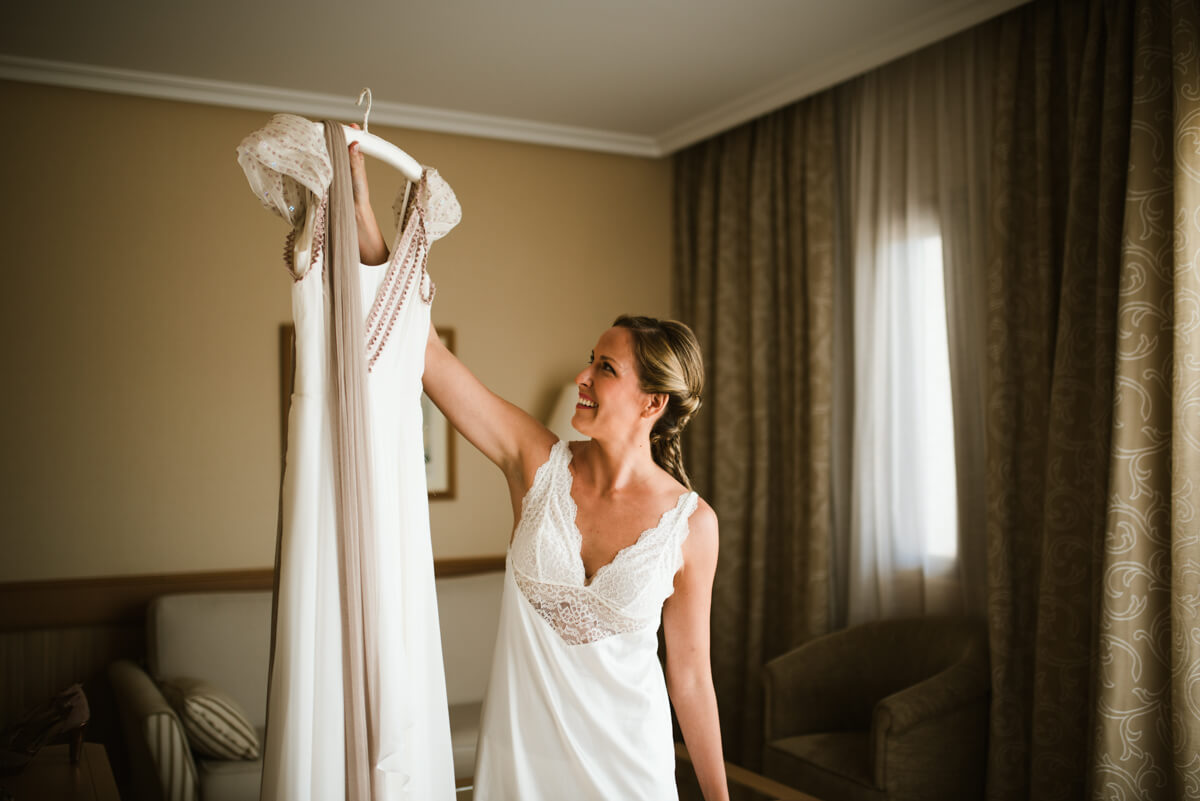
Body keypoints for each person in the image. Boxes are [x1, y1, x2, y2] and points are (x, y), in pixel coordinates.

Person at [349, 140, 730, 801]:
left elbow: (690, 676)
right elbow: (427, 352)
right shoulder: (534, 461)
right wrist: (359, 200)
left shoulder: (692, 526)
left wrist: (720, 799)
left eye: (604, 369)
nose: (581, 377)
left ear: (652, 402)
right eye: (591, 360)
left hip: (632, 778)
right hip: (521, 778)